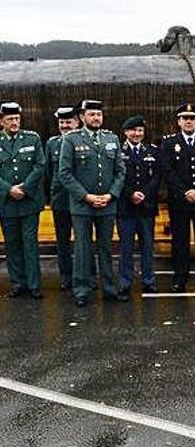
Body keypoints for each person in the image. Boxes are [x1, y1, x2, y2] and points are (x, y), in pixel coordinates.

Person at [58, 99, 127, 307]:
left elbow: (120, 171)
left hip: (107, 204)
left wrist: (111, 195)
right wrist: (86, 196)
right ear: (82, 117)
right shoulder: (71, 140)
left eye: (98, 114)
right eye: (91, 114)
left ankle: (109, 289)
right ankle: (81, 290)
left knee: (106, 249)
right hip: (82, 206)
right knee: (82, 249)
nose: (96, 118)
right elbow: (65, 173)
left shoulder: (111, 138)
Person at [159, 102, 195, 293]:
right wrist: (184, 191)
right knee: (180, 242)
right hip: (179, 201)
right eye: (185, 118)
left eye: (192, 118)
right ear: (179, 121)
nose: (189, 122)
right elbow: (167, 171)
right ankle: (180, 278)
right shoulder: (169, 143)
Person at [0, 101, 45, 299]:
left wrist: (24, 188)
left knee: (30, 244)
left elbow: (40, 165)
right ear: (2, 121)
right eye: (10, 119)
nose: (14, 122)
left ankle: (34, 285)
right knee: (12, 245)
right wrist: (9, 189)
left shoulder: (32, 138)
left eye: (17, 118)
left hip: (29, 200)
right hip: (6, 201)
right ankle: (18, 284)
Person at [117, 115, 161, 296]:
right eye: (133, 130)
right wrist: (130, 194)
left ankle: (148, 280)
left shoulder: (152, 151)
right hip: (126, 207)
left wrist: (144, 194)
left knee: (147, 246)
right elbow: (116, 177)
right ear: (126, 132)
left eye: (140, 131)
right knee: (125, 247)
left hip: (146, 206)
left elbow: (157, 177)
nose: (137, 134)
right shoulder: (118, 152)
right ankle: (125, 282)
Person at [45, 105, 80, 291]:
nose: (65, 125)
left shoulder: (84, 141)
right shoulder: (52, 143)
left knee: (83, 240)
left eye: (68, 121)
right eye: (62, 122)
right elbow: (50, 173)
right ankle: (66, 276)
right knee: (63, 241)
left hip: (81, 200)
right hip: (60, 200)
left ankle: (87, 275)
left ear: (77, 122)